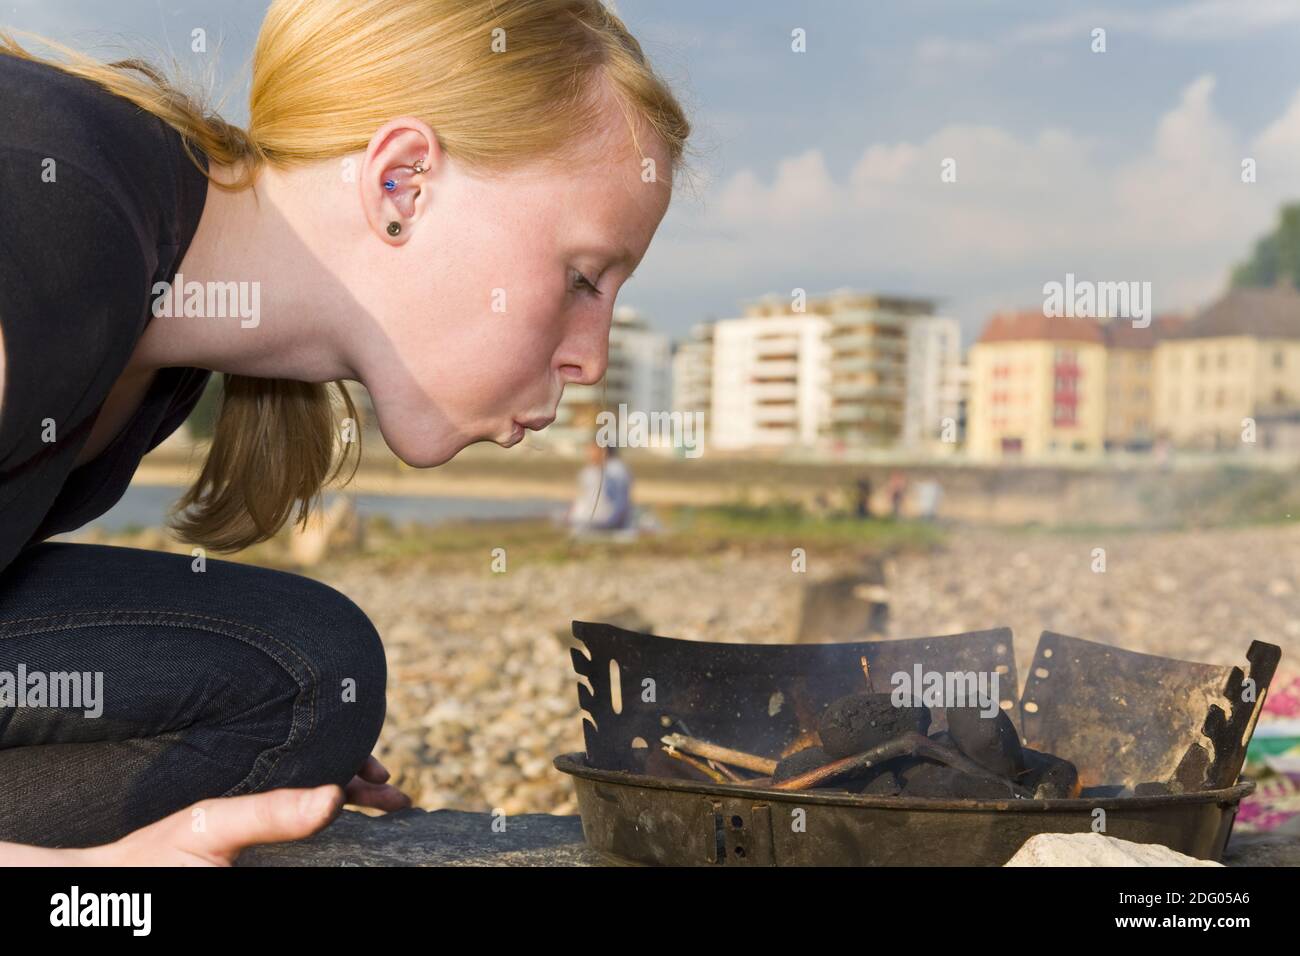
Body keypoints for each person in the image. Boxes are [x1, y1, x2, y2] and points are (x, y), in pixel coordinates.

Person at [0, 0, 688, 864]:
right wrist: (78, 883)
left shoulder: (166, 311)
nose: (591, 358)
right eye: (585, 277)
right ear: (402, 182)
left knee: (306, 675)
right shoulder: (54, 226)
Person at [569, 440, 634, 532]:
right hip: (586, 522)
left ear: (603, 450)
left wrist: (613, 524)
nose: (588, 453)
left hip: (601, 523)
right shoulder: (589, 471)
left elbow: (620, 502)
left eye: (592, 449)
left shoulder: (615, 470)